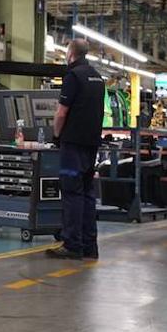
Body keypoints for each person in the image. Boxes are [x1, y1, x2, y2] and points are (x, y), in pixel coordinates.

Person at [47, 38, 104, 261]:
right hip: (91, 144)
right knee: (88, 193)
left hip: (73, 144)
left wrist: (56, 135)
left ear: (70, 53)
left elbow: (61, 113)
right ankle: (90, 245)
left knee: (71, 193)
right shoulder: (97, 77)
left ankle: (72, 244)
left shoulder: (73, 76)